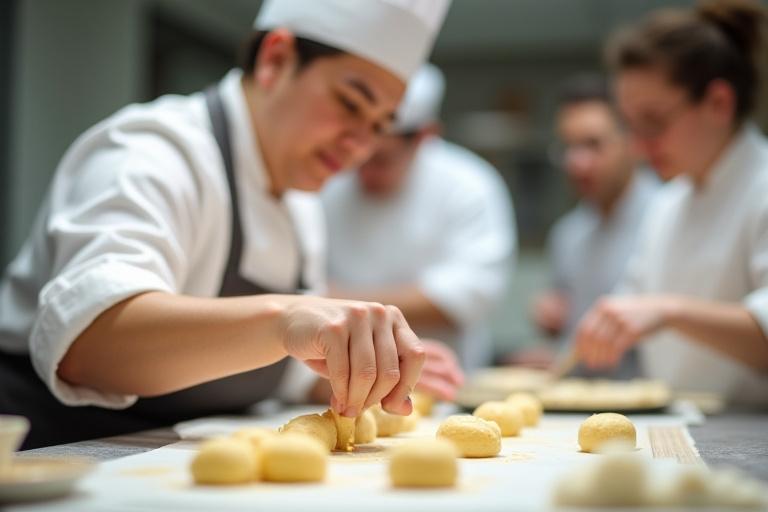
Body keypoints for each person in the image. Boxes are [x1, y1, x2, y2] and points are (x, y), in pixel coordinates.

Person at [0, 0, 453, 448]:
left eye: (378, 127)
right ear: (275, 60)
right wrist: (284, 319)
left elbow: (281, 372)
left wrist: (359, 367)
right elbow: (88, 348)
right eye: (351, 103)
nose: (359, 147)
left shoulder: (300, 203)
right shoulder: (151, 152)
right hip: (48, 457)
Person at [575, 0, 768, 405]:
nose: (639, 147)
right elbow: (632, 306)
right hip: (680, 419)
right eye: (631, 125)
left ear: (718, 103)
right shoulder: (668, 203)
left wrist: (671, 311)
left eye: (654, 122)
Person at [322, 64, 515, 375]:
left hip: (441, 378)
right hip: (337, 377)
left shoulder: (469, 185)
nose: (364, 170)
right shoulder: (331, 184)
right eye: (358, 155)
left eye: (381, 160)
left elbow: (467, 295)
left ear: (426, 136)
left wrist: (333, 301)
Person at [520, 74, 659, 378]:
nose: (577, 162)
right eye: (568, 147)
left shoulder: (667, 215)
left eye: (593, 144)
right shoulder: (569, 234)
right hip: (588, 405)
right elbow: (571, 331)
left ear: (633, 142)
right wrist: (552, 323)